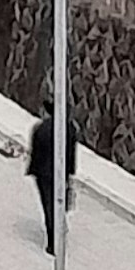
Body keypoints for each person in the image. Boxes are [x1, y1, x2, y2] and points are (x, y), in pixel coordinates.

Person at [25, 107, 79, 253]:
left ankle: (52, 240)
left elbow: (34, 151)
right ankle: (60, 229)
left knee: (48, 205)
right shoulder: (70, 129)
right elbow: (71, 154)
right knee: (58, 202)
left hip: (43, 173)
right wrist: (71, 173)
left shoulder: (40, 128)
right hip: (61, 173)